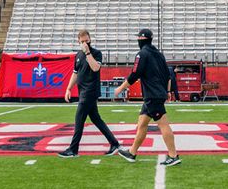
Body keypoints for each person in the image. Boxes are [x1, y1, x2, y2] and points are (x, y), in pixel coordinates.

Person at [61, 31, 134, 160]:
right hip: (82, 91)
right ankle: (115, 144)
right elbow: (75, 73)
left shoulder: (96, 53)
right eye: (82, 41)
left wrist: (88, 52)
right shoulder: (78, 55)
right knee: (96, 120)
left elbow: (95, 68)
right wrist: (68, 88)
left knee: (79, 119)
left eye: (87, 41)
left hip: (90, 91)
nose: (85, 43)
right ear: (78, 41)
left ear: (90, 40)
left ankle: (73, 149)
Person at [122, 30, 181, 165]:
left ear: (141, 39)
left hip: (152, 95)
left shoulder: (142, 54)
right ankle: (132, 152)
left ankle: (173, 155)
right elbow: (167, 75)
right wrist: (166, 91)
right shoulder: (159, 55)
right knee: (142, 124)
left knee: (163, 124)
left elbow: (135, 74)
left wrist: (121, 87)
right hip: (156, 94)